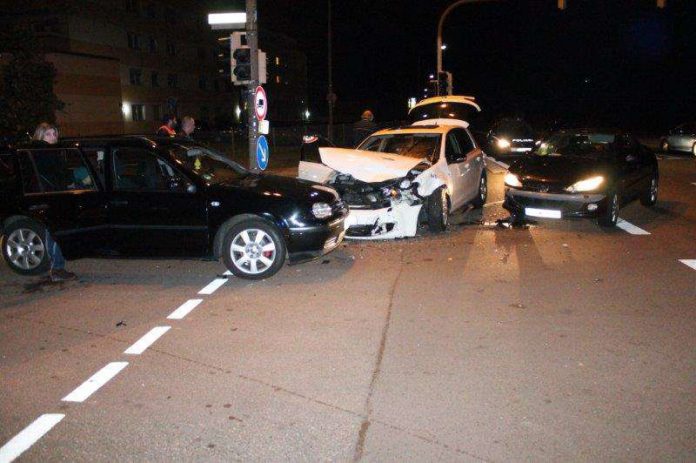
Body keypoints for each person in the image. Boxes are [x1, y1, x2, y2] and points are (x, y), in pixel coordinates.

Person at [32, 122, 78, 282]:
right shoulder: (45, 153)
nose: (53, 137)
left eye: (54, 134)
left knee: (53, 232)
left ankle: (57, 266)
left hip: (51, 195)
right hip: (53, 196)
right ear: (40, 135)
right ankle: (57, 268)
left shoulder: (38, 151)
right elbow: (60, 174)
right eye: (48, 134)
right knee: (55, 233)